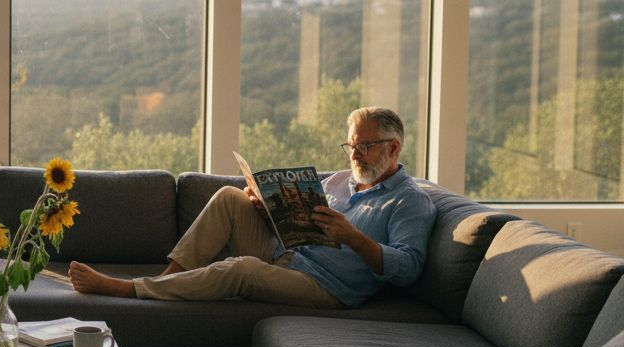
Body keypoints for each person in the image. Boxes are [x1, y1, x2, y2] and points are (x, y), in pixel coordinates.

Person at [68, 106, 436, 308]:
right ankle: (168, 281)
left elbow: (408, 269)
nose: (355, 154)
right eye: (351, 145)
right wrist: (270, 214)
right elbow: (301, 227)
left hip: (327, 286)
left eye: (366, 146)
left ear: (394, 147)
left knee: (241, 269)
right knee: (231, 197)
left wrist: (353, 237)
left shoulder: (410, 201)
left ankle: (130, 291)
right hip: (288, 253)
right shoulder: (340, 181)